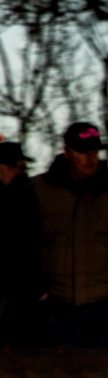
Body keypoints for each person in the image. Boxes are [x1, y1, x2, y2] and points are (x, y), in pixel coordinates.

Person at [34, 122, 108, 349]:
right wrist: (36, 290)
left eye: (95, 152)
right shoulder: (39, 189)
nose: (90, 159)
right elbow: (17, 243)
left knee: (106, 369)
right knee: (56, 369)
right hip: (55, 305)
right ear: (67, 152)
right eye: (83, 152)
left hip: (104, 306)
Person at [0, 138, 47, 347]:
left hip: (23, 294)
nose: (20, 172)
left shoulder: (27, 197)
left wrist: (39, 287)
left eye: (23, 167)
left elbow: (30, 245)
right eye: (15, 167)